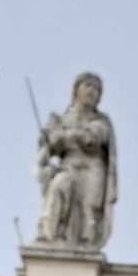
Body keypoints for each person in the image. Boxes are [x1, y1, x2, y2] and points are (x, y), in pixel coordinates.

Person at [34, 71, 117, 250]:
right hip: (68, 166)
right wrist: (49, 141)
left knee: (89, 209)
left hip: (93, 167)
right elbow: (48, 146)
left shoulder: (102, 120)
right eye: (87, 86)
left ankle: (86, 246)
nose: (91, 91)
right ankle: (49, 236)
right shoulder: (60, 118)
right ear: (76, 90)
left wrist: (66, 135)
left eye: (96, 89)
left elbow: (94, 137)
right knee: (58, 189)